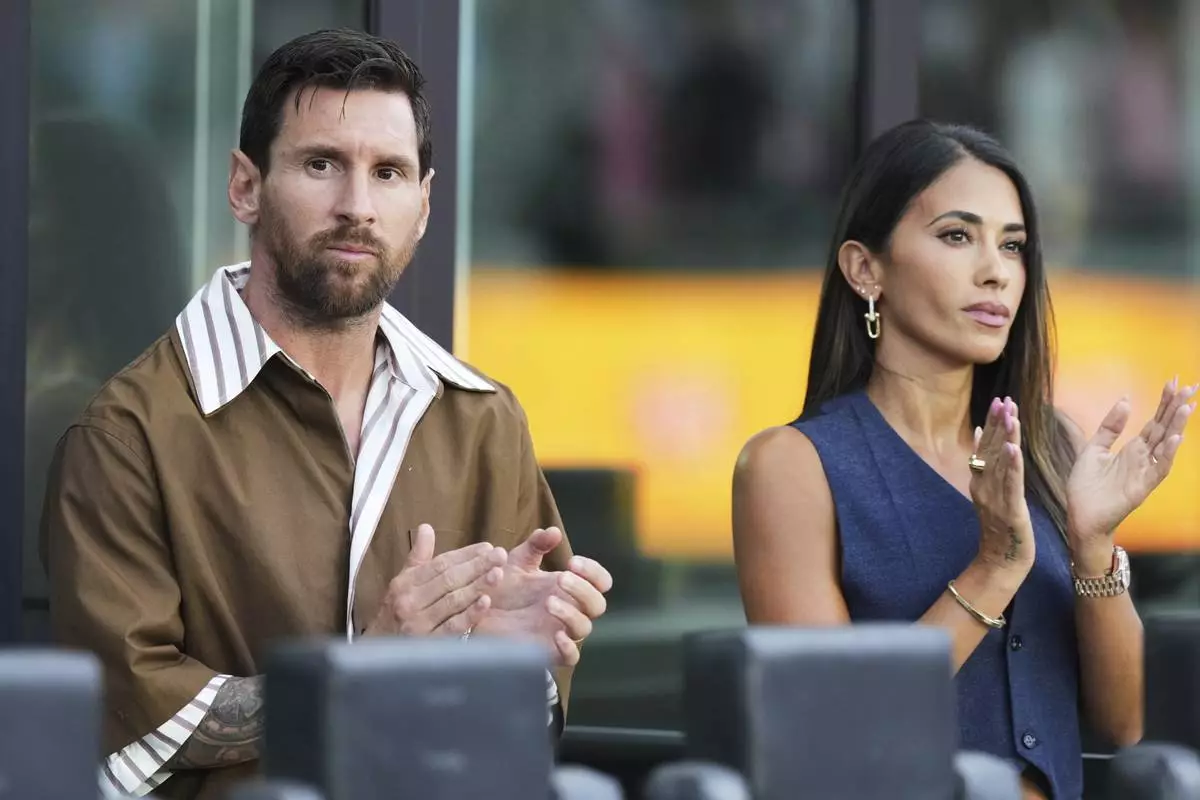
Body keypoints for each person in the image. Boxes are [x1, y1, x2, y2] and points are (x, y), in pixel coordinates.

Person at [39, 29, 612, 800]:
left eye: (388, 173)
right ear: (246, 186)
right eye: (321, 165)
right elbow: (134, 737)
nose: (358, 207)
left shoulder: (483, 420)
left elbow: (516, 738)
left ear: (425, 204)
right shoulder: (125, 436)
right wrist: (369, 671)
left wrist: (513, 670)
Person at [732, 120, 1193, 800]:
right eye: (957, 235)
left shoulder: (1049, 447)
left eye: (1014, 246)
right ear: (866, 269)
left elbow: (1126, 723)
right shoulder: (793, 466)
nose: (996, 270)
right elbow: (827, 729)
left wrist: (1093, 549)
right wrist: (994, 570)